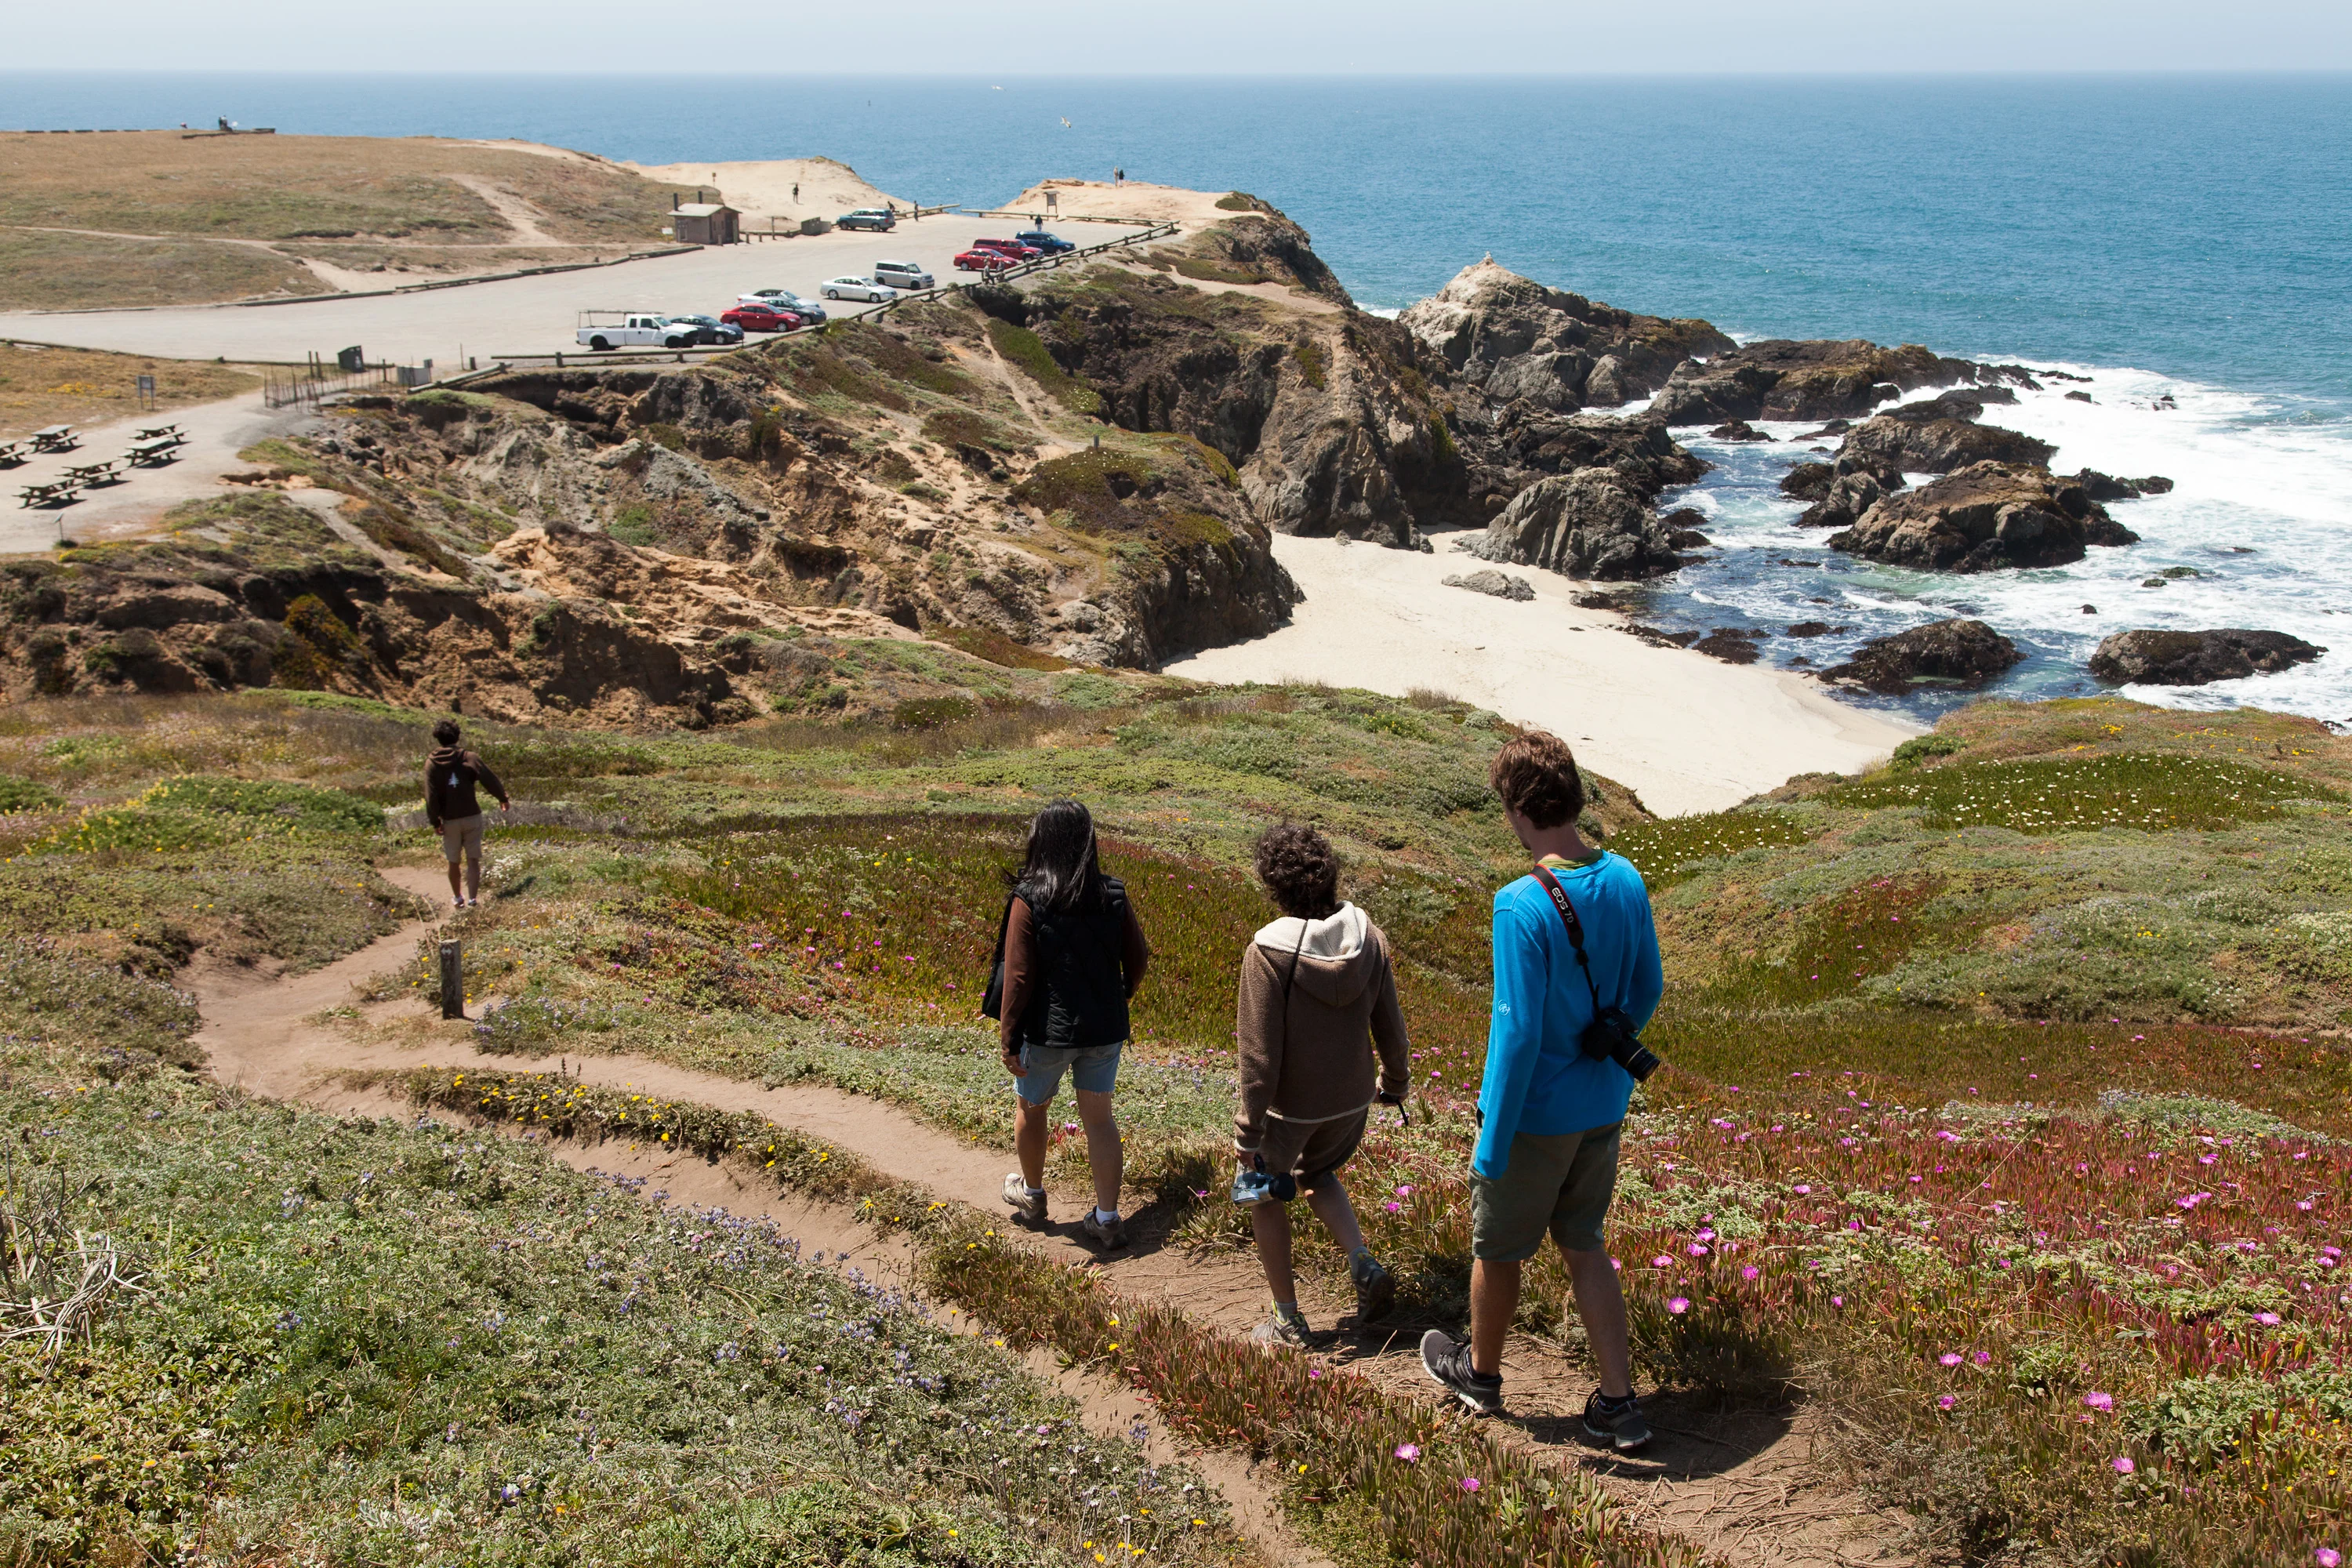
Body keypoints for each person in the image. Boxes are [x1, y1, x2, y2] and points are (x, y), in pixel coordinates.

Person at [1421, 731, 1662, 1452]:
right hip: (1603, 1103)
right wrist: (1610, 1037)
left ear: (1517, 809)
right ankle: (1618, 1404)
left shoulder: (1519, 904)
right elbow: (1647, 986)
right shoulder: (1625, 877)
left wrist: (1490, 1143)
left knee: (1497, 1251)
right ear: (1575, 797)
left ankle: (1481, 1379)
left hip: (1535, 1119)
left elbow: (1518, 1034)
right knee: (1584, 1244)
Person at [1232, 824, 1410, 1347]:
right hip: (1352, 1101)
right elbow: (1391, 1028)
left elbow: (1258, 1058)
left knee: (1262, 1196)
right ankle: (1362, 1261)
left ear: (1274, 886)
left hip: (1289, 1110)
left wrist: (1249, 1131)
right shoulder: (1369, 940)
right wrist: (1395, 1083)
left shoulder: (1266, 953)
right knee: (1320, 1172)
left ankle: (1287, 1318)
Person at [993, 800, 1151, 1248]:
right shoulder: (1113, 893)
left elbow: (1018, 977)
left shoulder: (1029, 897)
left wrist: (1008, 1036)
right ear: (1087, 842)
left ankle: (1033, 1196)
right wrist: (1123, 993)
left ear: (1041, 841)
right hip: (1103, 1030)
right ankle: (1107, 1218)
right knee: (1099, 1121)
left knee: (1032, 1108)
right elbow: (1137, 958)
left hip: (1047, 1033)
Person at [424, 719, 510, 910]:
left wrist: (435, 821)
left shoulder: (431, 763)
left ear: (438, 738)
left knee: (453, 860)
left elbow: (431, 795)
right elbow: (489, 779)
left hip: (449, 820)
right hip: (472, 815)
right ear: (458, 735)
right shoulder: (469, 757)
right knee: (473, 859)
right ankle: (472, 899)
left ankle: (457, 897)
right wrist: (502, 797)